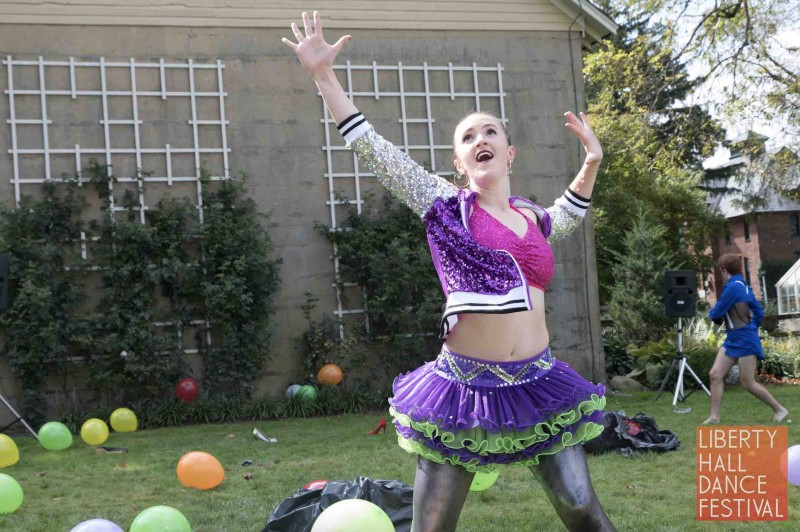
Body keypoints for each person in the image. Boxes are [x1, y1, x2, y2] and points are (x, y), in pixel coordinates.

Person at [283, 12, 615, 531]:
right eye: (468, 137)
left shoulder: (532, 217)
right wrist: (324, 75)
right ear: (460, 162)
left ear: (509, 152)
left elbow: (568, 216)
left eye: (490, 131)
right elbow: (375, 150)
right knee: (433, 527)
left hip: (539, 381)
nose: (481, 138)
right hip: (464, 390)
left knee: (579, 506)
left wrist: (591, 161)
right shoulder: (447, 207)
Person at [703, 253, 789, 425]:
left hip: (745, 339)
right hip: (734, 337)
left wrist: (747, 330)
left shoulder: (732, 287)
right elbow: (758, 311)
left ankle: (780, 409)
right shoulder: (743, 285)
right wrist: (752, 327)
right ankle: (714, 417)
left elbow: (717, 312)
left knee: (747, 382)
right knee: (715, 374)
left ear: (724, 270)